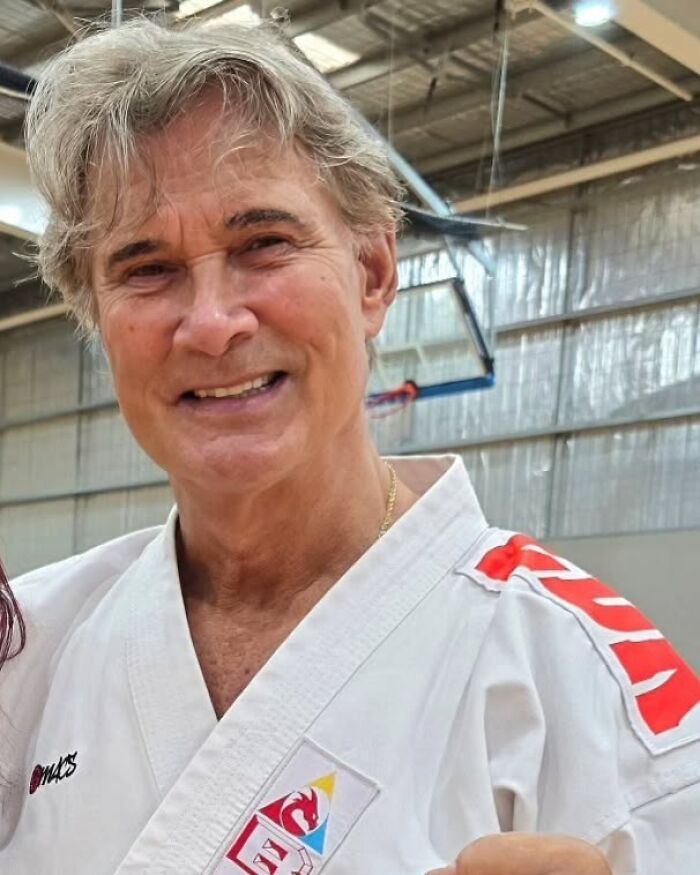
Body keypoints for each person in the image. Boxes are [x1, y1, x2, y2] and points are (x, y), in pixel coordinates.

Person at [0, 17, 697, 875]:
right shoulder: (29, 645)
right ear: (98, 317)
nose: (213, 323)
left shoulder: (583, 678)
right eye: (146, 267)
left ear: (373, 275)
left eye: (264, 243)